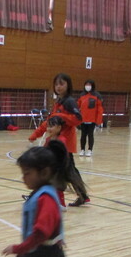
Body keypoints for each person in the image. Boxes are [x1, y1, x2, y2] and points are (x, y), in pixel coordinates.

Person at [29, 73, 87, 206]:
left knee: (59, 171)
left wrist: (61, 116)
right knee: (68, 171)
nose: (58, 87)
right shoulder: (58, 102)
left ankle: (42, 197)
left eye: (62, 84)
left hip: (64, 143)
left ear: (68, 85)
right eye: (56, 84)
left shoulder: (69, 102)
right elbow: (50, 121)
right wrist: (36, 134)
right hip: (57, 143)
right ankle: (82, 196)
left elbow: (78, 119)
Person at [77, 79, 104, 156]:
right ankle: (82, 149)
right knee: (83, 135)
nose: (87, 86)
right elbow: (77, 107)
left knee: (90, 135)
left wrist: (98, 121)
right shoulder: (81, 95)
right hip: (83, 120)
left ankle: (90, 150)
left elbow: (100, 109)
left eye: (89, 85)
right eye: (86, 84)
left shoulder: (97, 96)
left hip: (92, 120)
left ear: (92, 86)